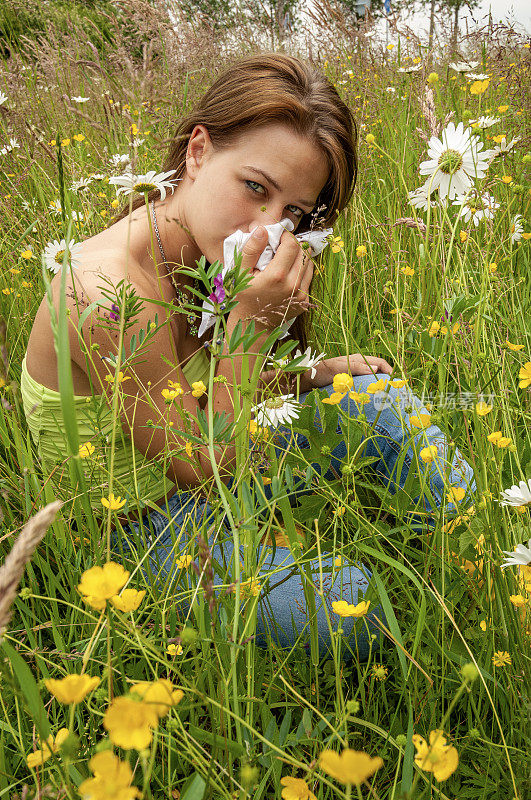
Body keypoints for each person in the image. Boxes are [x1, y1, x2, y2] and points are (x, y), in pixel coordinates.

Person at [20, 53, 475, 660]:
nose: (268, 226)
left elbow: (202, 387)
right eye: (256, 188)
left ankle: (481, 563)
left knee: (382, 401)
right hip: (134, 522)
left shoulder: (206, 255)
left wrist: (315, 373)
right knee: (349, 607)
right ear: (199, 151)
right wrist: (248, 327)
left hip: (217, 456)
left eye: (293, 211)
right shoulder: (104, 289)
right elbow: (206, 464)